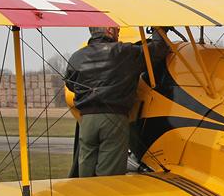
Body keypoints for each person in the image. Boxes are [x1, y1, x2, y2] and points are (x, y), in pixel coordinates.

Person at [64, 26, 168, 177]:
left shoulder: (77, 57)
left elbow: (70, 84)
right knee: (109, 175)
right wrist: (160, 30)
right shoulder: (123, 52)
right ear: (109, 30)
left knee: (85, 171)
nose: (118, 30)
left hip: (86, 120)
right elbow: (157, 50)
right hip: (114, 119)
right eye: (116, 28)